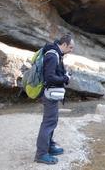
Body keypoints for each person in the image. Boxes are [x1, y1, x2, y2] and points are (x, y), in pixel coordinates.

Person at [34, 34, 75, 165]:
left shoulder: (55, 54)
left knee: (52, 121)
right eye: (70, 47)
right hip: (49, 94)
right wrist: (65, 78)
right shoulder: (52, 55)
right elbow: (49, 77)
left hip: (52, 93)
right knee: (48, 123)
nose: (71, 50)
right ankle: (41, 154)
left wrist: (64, 75)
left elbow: (53, 74)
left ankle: (49, 147)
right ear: (63, 45)